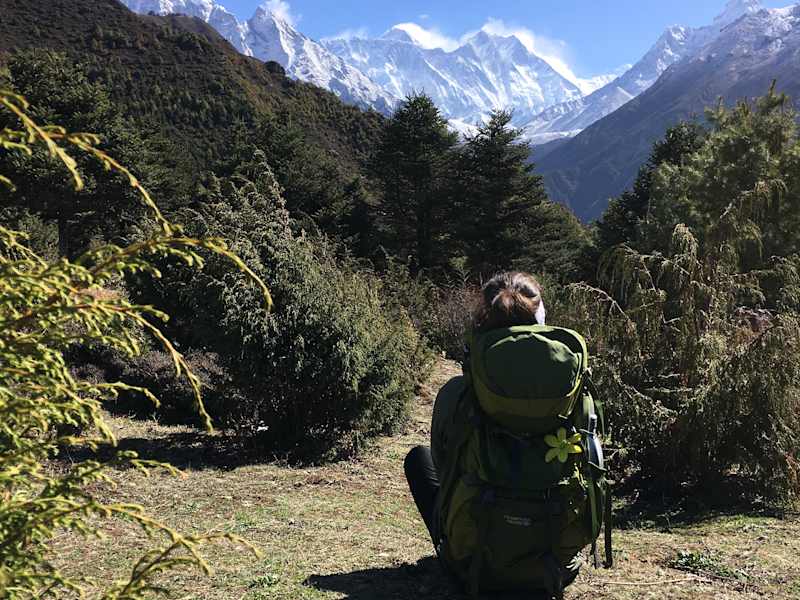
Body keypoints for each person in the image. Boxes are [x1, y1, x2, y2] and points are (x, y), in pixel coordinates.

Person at [404, 271, 606, 598]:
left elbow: (445, 468)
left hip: (474, 568)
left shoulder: (458, 393)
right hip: (555, 567)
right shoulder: (573, 389)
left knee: (418, 460)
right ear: (541, 319)